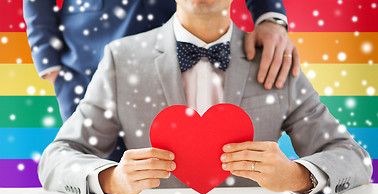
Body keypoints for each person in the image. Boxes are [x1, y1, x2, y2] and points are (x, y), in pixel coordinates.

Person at [39, 0, 372, 194]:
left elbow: (355, 158)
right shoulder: (121, 60)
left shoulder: (274, 60)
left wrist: (297, 175)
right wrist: (111, 179)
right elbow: (56, 158)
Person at [23, 0, 299, 122]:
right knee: (95, 175)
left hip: (187, 42)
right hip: (87, 56)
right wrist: (49, 61)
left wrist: (270, 17)